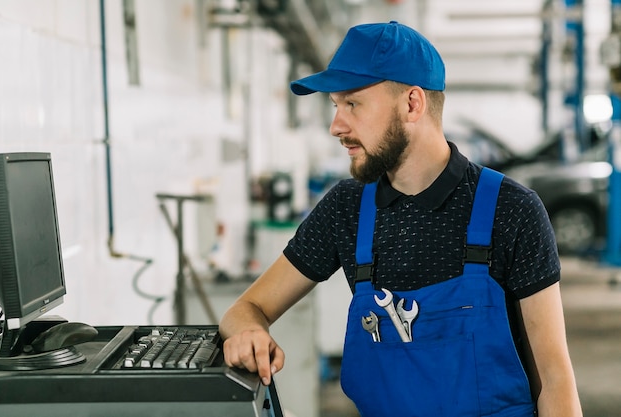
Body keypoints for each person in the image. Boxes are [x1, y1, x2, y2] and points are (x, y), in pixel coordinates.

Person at [219, 21, 582, 417]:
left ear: (412, 104)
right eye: (335, 106)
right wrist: (248, 330)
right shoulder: (346, 208)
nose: (336, 126)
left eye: (352, 104)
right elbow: (247, 307)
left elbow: (555, 377)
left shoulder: (511, 210)